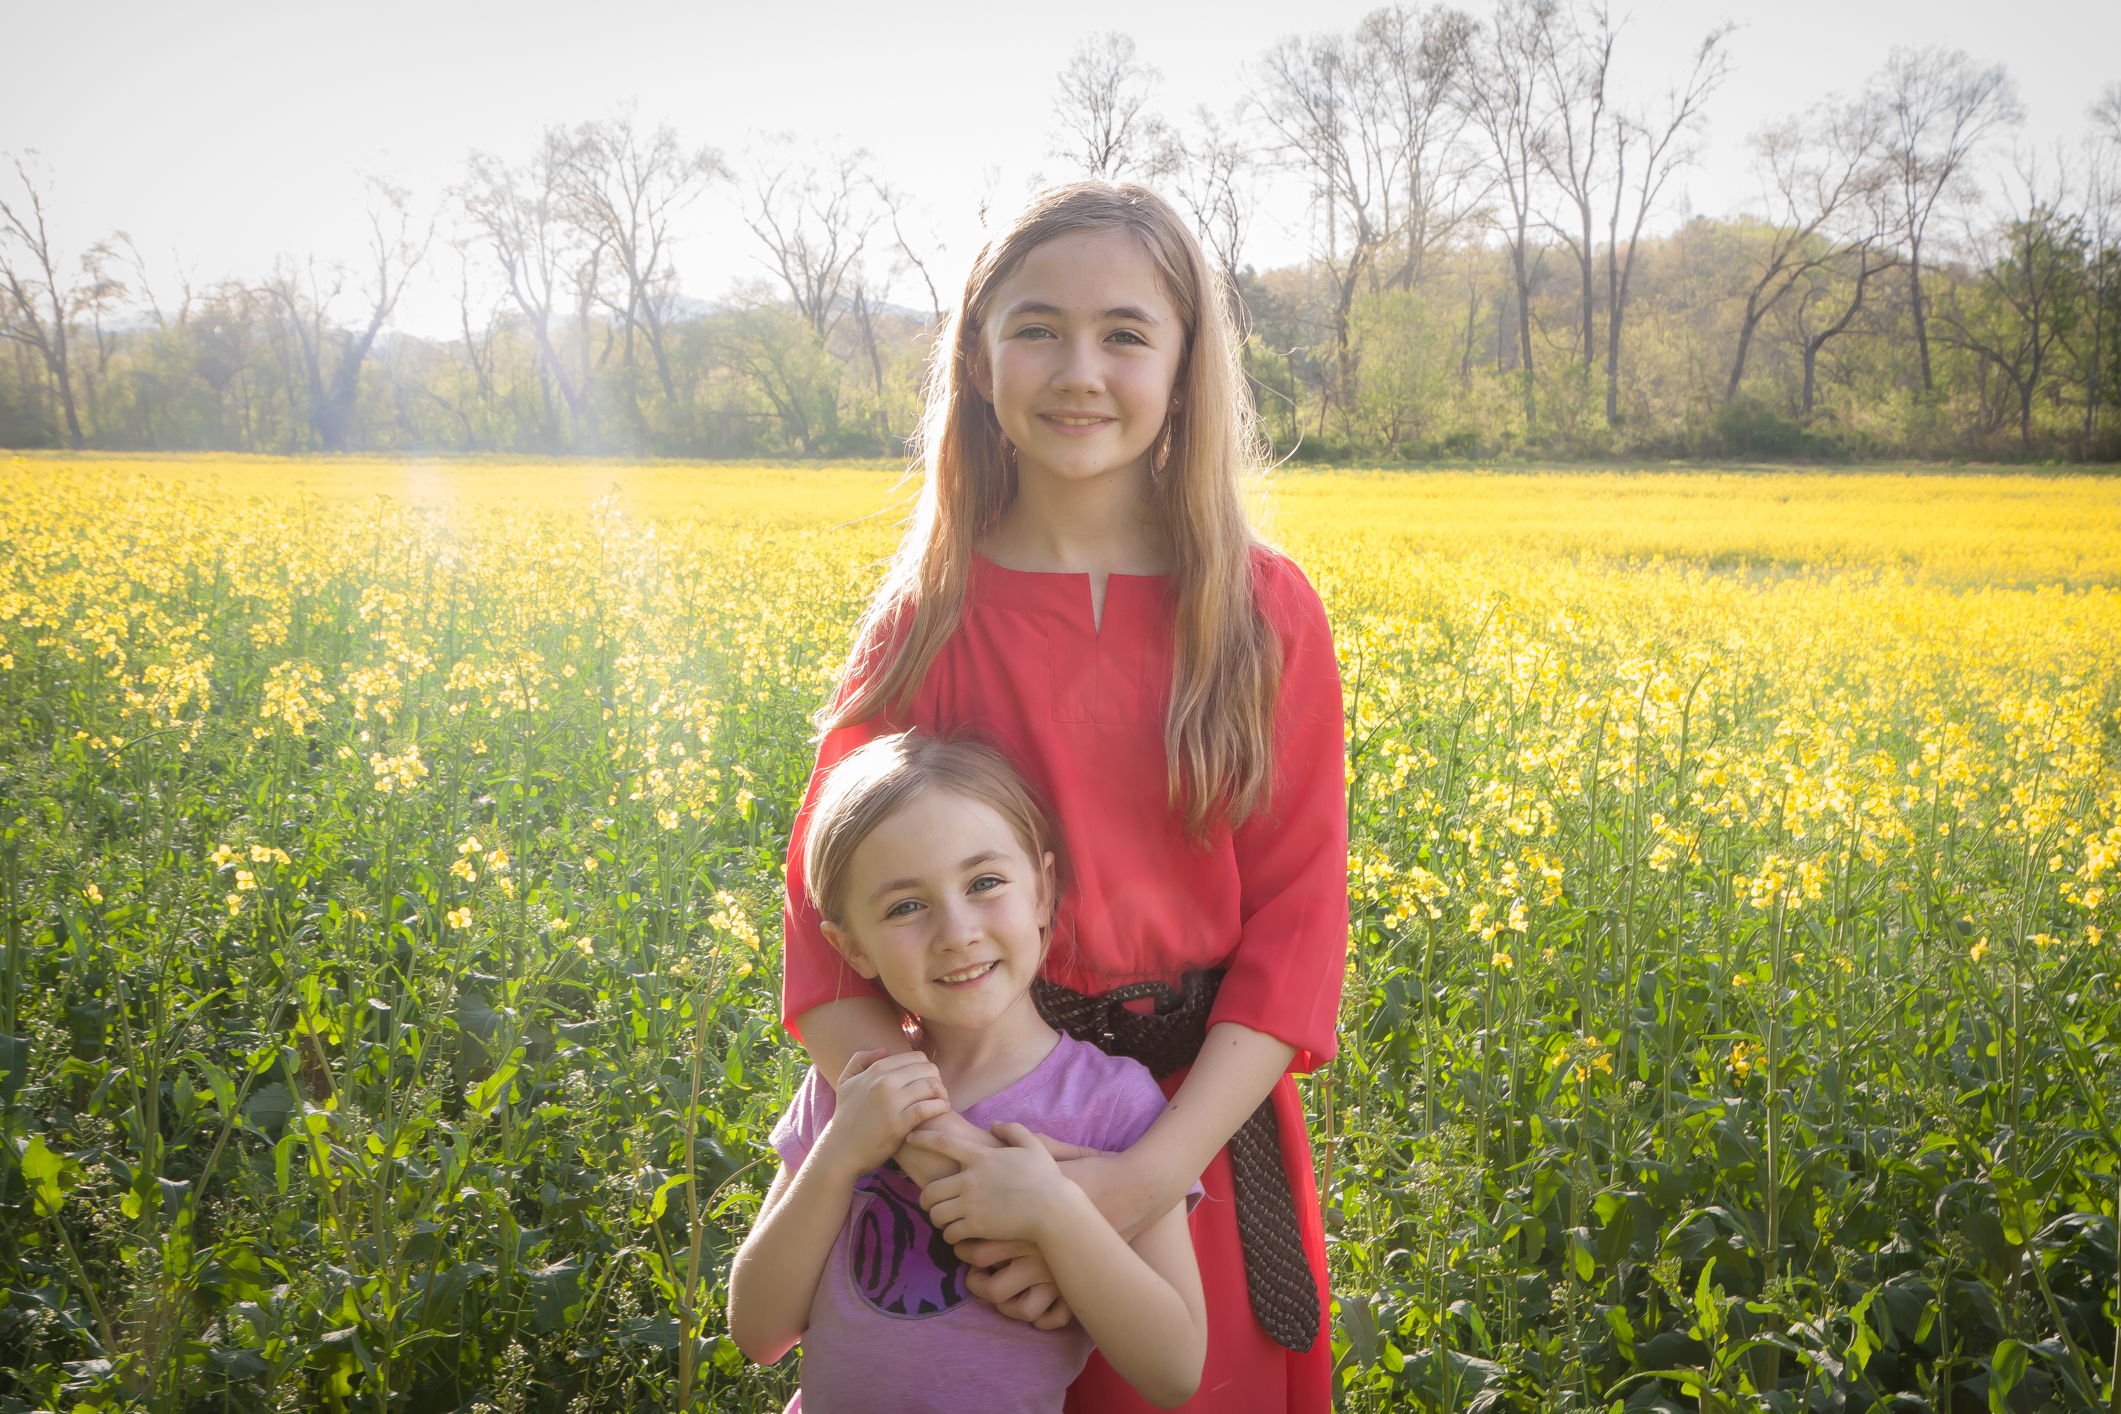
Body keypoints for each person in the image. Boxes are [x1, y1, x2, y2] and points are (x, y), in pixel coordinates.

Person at [781, 180, 1346, 1413]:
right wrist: (971, 1189)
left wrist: (1129, 1189)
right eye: (1036, 327)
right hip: (972, 1149)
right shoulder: (925, 620)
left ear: (1188, 368)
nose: (1079, 369)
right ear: (979, 365)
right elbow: (820, 937)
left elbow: (1297, 936)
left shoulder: (1266, 614)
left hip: (1183, 1144)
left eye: (1127, 333)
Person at [729, 732, 1206, 1412]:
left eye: (984, 883)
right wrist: (838, 1156)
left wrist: (1056, 1211)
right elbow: (758, 1332)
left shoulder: (1109, 1105)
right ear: (850, 948)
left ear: (1043, 892)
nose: (957, 931)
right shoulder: (848, 1087)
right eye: (905, 906)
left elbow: (1175, 1368)